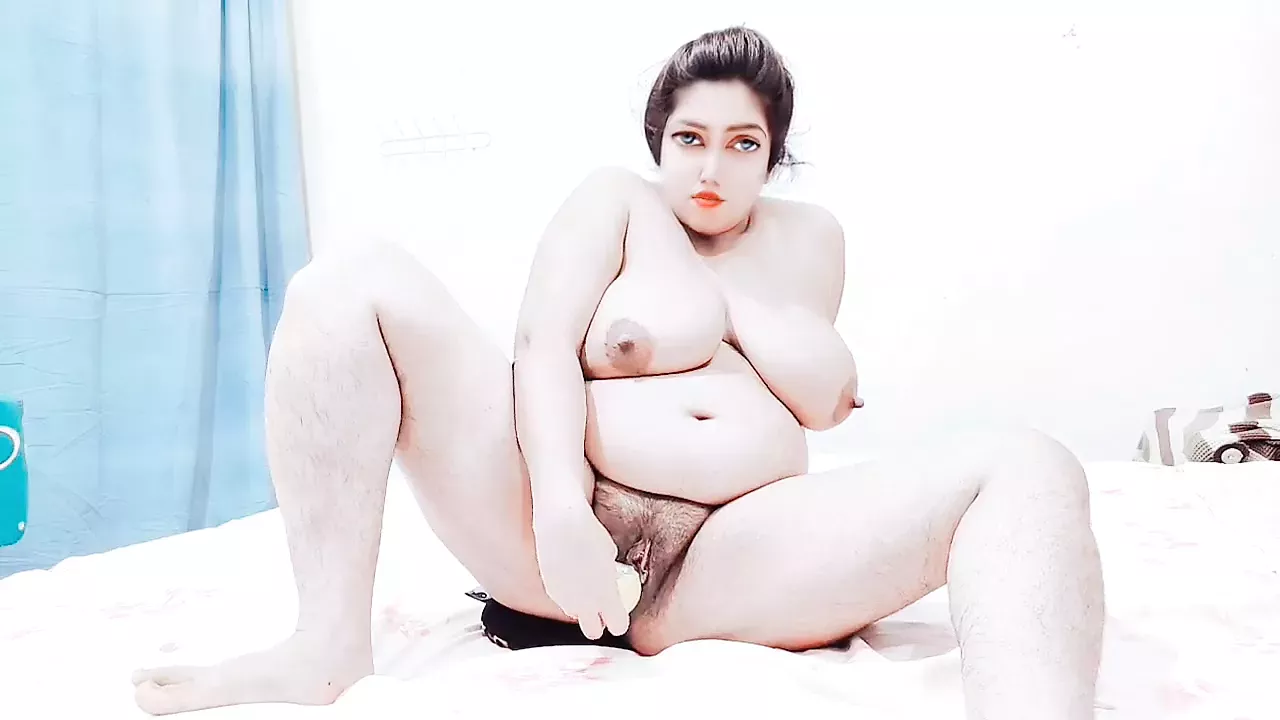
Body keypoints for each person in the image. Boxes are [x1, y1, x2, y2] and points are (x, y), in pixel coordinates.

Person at [131, 26, 1105, 720]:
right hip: (548, 521)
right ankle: (324, 647)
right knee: (347, 281)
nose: (711, 168)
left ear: (774, 154)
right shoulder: (614, 202)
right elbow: (540, 347)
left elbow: (820, 395)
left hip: (724, 558)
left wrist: (729, 297)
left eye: (743, 143)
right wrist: (561, 511)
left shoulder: (809, 239)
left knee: (1029, 464)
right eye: (690, 139)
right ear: (657, 142)